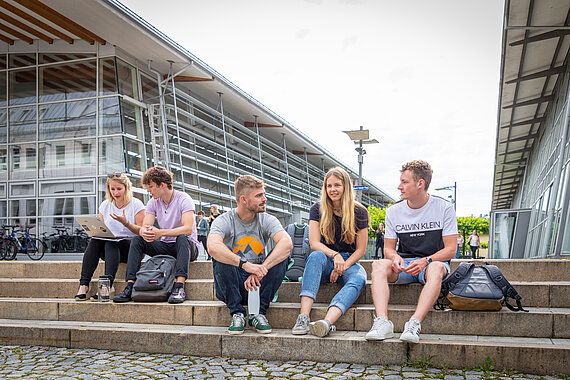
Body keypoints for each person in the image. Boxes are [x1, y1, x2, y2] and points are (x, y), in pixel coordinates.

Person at [365, 160, 457, 343]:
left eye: (405, 182)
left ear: (420, 183)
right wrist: (395, 258)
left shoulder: (444, 207)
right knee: (378, 265)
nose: (399, 186)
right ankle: (383, 322)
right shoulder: (393, 211)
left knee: (437, 268)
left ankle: (414, 323)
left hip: (431, 264)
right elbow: (388, 249)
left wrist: (426, 260)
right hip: (405, 265)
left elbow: (451, 249)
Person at [207, 175, 292, 335]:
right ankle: (237, 312)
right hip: (232, 283)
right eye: (259, 196)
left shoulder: (267, 219)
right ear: (244, 200)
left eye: (263, 194)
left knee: (283, 255)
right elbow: (212, 246)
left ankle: (258, 313)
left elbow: (286, 243)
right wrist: (245, 264)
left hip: (259, 284)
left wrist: (261, 270)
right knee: (221, 254)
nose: (264, 199)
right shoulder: (224, 220)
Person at [291, 167, 369, 338]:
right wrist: (335, 256)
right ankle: (303, 317)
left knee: (359, 278)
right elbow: (314, 243)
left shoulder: (360, 211)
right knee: (315, 255)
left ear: (346, 187)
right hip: (325, 260)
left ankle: (326, 323)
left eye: (337, 185)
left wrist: (342, 266)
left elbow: (361, 249)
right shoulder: (317, 209)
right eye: (329, 186)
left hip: (349, 263)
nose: (332, 190)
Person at [113, 166, 199, 304]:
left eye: (151, 186)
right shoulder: (153, 202)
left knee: (182, 237)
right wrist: (144, 231)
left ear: (162, 185)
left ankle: (179, 287)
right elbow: (146, 226)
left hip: (187, 247)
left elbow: (188, 229)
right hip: (166, 245)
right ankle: (130, 286)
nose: (148, 190)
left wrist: (160, 232)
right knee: (138, 240)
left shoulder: (184, 199)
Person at [74, 172, 145, 301]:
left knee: (112, 242)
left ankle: (108, 285)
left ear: (126, 188)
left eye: (119, 189)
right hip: (109, 249)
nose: (116, 192)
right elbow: (101, 229)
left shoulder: (136, 204)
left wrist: (126, 223)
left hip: (130, 249)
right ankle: (84, 285)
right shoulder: (105, 205)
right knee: (97, 240)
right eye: (112, 189)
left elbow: (141, 232)